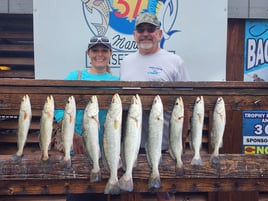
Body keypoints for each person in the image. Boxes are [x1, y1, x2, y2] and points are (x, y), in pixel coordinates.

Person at [120, 12, 191, 201]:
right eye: (141, 30)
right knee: (130, 191)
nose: (146, 34)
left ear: (159, 33)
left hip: (165, 144)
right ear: (135, 34)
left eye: (150, 29)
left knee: (165, 192)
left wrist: (182, 138)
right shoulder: (126, 62)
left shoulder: (175, 61)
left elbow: (186, 104)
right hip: (132, 143)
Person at [54, 35, 119, 201]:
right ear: (88, 53)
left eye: (104, 50)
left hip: (105, 152)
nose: (100, 54)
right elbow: (59, 109)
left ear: (110, 53)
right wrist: (73, 135)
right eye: (95, 50)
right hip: (77, 150)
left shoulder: (116, 81)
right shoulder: (74, 76)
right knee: (77, 195)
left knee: (101, 196)